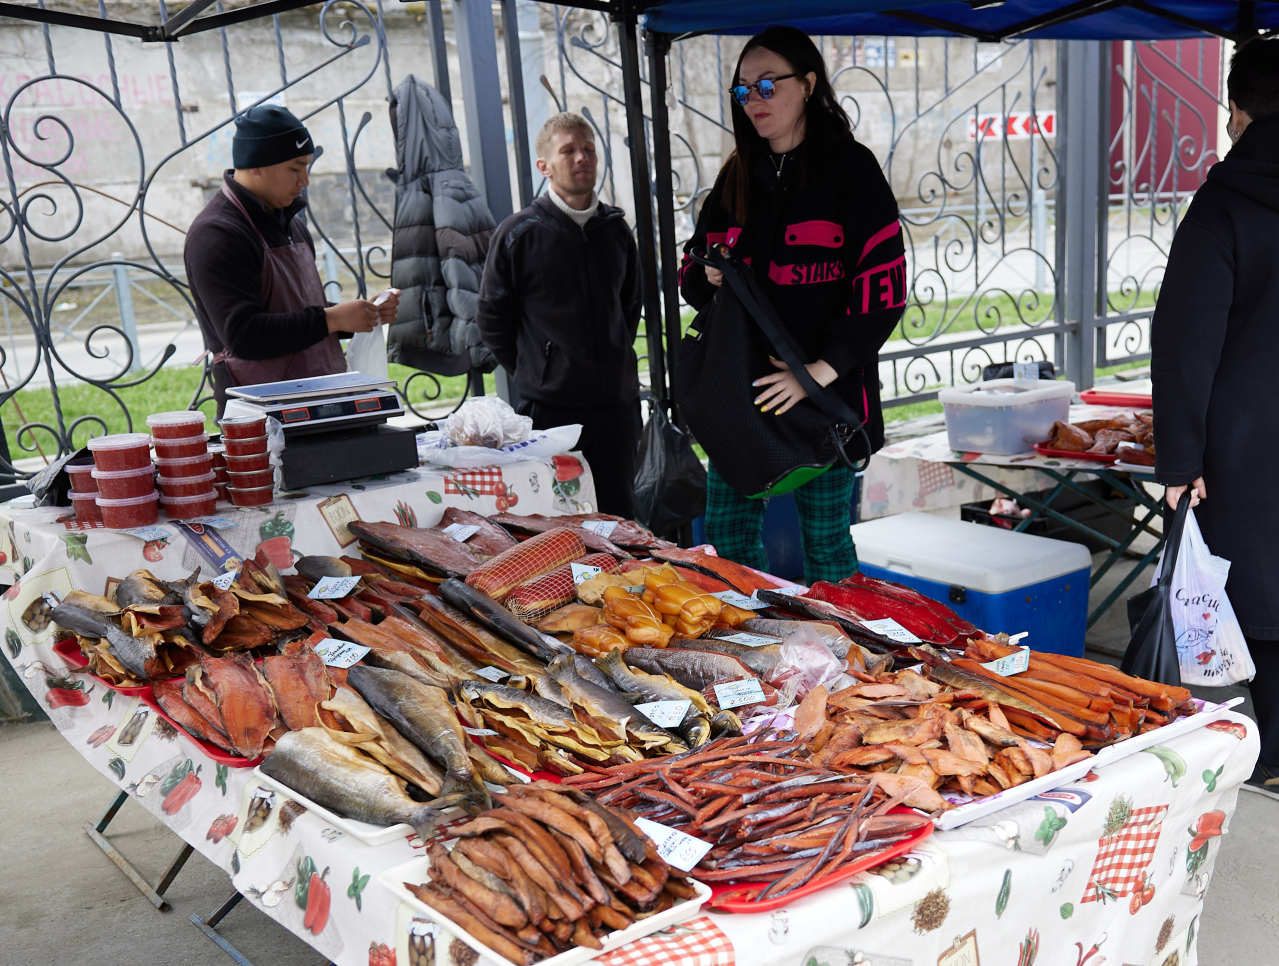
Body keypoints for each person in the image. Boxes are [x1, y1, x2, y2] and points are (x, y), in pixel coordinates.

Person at [678, 26, 906, 583]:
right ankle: (756, 651)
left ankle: (850, 661)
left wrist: (815, 376)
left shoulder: (852, 171)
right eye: (742, 91)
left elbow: (885, 290)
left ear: (807, 84)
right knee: (728, 541)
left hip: (825, 405)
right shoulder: (735, 176)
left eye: (767, 85)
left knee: (827, 548)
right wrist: (708, 275)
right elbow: (690, 276)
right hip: (739, 401)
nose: (754, 101)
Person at [1151, 37, 1279, 796]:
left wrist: (1177, 460)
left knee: (1259, 591)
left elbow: (1185, 338)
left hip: (1246, 441)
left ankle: (1270, 752)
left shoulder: (1225, 204)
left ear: (1237, 109)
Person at [477, 113, 642, 517]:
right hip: (551, 411)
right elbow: (492, 317)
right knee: (561, 519)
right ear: (544, 166)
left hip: (615, 407)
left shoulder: (616, 231)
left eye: (588, 149)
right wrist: (538, 371)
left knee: (618, 516)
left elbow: (629, 307)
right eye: (568, 150)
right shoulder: (520, 234)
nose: (581, 158)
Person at [185, 104, 398, 415]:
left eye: (307, 168)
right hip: (261, 418)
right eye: (295, 169)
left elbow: (295, 315)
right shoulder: (217, 233)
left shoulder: (291, 223)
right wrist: (332, 319)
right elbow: (244, 334)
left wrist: (357, 315)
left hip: (319, 400)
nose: (305, 181)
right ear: (256, 164)